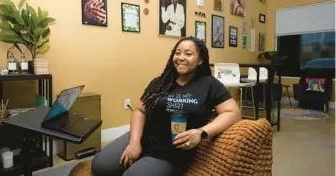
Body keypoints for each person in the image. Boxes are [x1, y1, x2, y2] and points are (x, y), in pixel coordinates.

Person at [91, 36, 241, 176]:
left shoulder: (210, 84)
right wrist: (134, 143)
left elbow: (232, 112)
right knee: (100, 166)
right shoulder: (160, 82)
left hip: (171, 151)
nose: (181, 58)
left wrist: (202, 132)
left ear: (200, 60)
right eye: (177, 53)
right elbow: (139, 111)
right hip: (144, 135)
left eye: (188, 54)